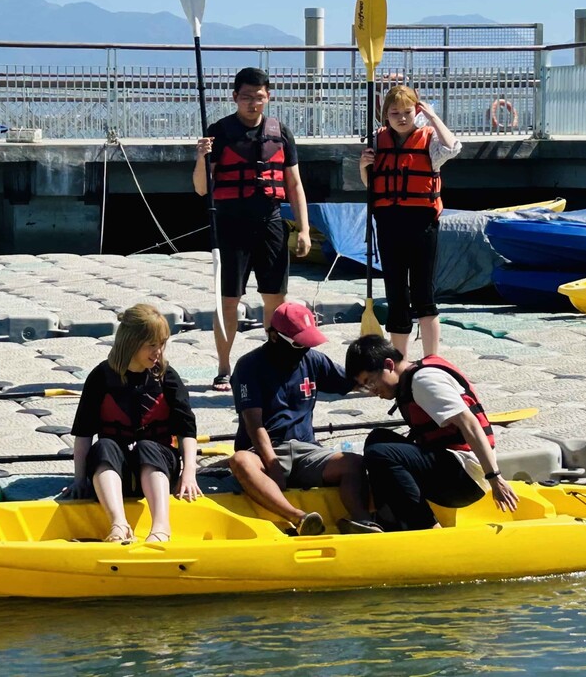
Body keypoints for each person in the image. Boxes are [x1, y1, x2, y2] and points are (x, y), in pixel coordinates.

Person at [194, 67, 312, 391]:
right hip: (231, 226)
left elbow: (295, 184)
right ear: (235, 97)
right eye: (246, 97)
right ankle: (223, 367)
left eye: (259, 97)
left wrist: (303, 229)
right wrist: (200, 157)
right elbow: (202, 188)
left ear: (268, 97)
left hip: (271, 223)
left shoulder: (281, 133)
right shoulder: (219, 132)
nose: (253, 103)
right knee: (228, 301)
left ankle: (272, 360)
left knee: (275, 299)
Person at [228, 301, 379, 535]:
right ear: (274, 337)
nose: (304, 349)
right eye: (299, 343)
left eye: (309, 343)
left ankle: (362, 521)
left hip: (307, 449)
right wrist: (272, 464)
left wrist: (390, 379)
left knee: (353, 463)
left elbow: (354, 380)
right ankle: (298, 518)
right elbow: (253, 423)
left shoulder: (313, 359)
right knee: (239, 461)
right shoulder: (249, 366)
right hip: (265, 450)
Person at [344, 334, 518, 531]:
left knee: (381, 454)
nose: (373, 391)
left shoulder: (423, 381)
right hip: (449, 465)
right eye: (365, 387)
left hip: (466, 479)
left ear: (389, 365)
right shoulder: (412, 379)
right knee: (377, 438)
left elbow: (469, 423)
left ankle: (427, 527)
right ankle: (389, 519)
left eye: (371, 381)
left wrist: (495, 477)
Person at [69, 303, 202, 543]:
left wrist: (189, 474)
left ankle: (161, 527)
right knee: (104, 446)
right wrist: (79, 480)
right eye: (152, 345)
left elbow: (186, 431)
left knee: (147, 447)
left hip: (158, 466)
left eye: (162, 344)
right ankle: (118, 523)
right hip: (116, 470)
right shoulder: (100, 377)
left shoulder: (167, 377)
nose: (158, 351)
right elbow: (84, 434)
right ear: (130, 342)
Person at [358, 85, 462, 359]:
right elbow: (373, 186)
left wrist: (432, 117)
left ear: (416, 112)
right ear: (386, 115)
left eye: (407, 112)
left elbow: (452, 148)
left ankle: (432, 359)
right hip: (389, 223)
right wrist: (362, 166)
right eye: (395, 113)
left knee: (423, 293)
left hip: (422, 224)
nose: (402, 118)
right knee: (396, 293)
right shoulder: (377, 141)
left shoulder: (429, 140)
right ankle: (400, 361)